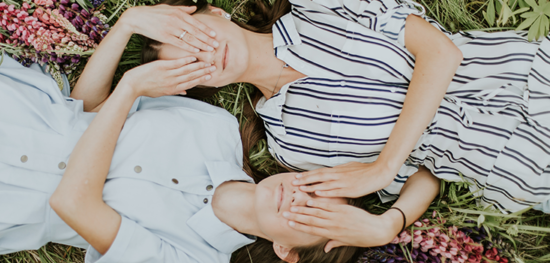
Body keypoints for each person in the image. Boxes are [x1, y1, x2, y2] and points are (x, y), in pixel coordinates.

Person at [0, 4, 405, 262]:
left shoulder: (192, 259)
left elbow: (71, 204)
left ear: (286, 250)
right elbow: (83, 114)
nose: (297, 198)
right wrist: (127, 24)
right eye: (316, 188)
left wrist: (129, 88)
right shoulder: (216, 128)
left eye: (310, 217)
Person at [142, 0, 550, 253]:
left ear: (215, 11)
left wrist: (383, 166)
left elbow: (440, 52)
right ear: (194, 86)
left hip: (528, 77)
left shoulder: (319, 7)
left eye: (197, 36)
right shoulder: (290, 145)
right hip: (518, 169)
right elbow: (424, 174)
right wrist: (389, 222)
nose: (207, 55)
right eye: (190, 65)